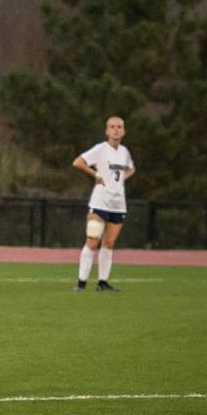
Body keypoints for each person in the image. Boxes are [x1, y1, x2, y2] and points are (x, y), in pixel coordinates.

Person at [73, 116, 136, 292]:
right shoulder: (101, 149)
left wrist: (122, 179)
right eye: (112, 127)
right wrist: (96, 175)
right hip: (100, 202)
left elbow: (131, 168)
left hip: (118, 204)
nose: (116, 130)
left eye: (119, 127)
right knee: (92, 241)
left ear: (124, 131)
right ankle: (81, 283)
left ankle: (103, 282)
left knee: (109, 243)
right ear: (107, 131)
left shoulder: (124, 152)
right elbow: (78, 162)